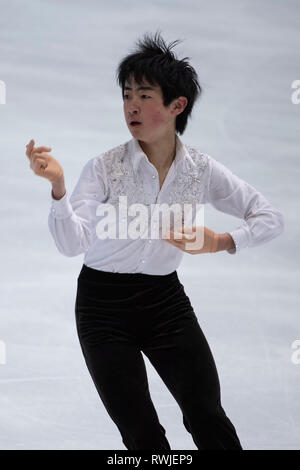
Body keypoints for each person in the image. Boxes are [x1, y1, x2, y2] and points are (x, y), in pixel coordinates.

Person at [25, 31, 284, 450]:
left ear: (177, 106)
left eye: (145, 95)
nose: (132, 105)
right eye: (127, 94)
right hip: (102, 309)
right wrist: (58, 188)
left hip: (166, 304)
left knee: (208, 416)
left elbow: (270, 217)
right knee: (142, 434)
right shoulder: (104, 168)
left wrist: (221, 241)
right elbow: (73, 244)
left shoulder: (201, 170)